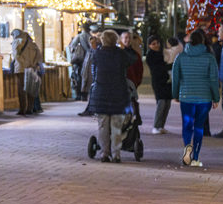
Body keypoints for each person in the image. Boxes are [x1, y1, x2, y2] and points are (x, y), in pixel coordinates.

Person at [83, 30, 137, 162]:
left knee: (102, 126)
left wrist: (95, 46)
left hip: (100, 95)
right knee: (116, 127)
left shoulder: (97, 54)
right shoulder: (121, 54)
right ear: (115, 40)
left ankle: (104, 153)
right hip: (118, 95)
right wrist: (123, 47)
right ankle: (116, 154)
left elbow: (91, 59)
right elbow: (133, 59)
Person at [171, 29, 222, 168]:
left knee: (187, 124)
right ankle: (196, 158)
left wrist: (175, 94)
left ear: (189, 41)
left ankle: (187, 146)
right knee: (199, 126)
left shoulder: (180, 57)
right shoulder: (209, 58)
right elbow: (213, 79)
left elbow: (175, 78)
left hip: (186, 96)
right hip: (204, 98)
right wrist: (216, 98)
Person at [146, 36, 174, 133]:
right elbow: (157, 69)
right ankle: (156, 126)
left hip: (167, 82)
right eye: (153, 43)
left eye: (157, 43)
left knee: (167, 104)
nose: (156, 45)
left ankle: (161, 126)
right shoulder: (151, 55)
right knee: (161, 103)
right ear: (149, 45)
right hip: (158, 82)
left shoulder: (162, 53)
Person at [13, 29, 43, 115]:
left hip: (21, 69)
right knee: (31, 88)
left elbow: (16, 55)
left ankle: (22, 109)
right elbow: (39, 55)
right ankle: (30, 108)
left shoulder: (16, 42)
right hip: (31, 69)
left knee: (21, 89)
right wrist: (33, 64)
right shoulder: (32, 43)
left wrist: (24, 64)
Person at [68, 27, 91, 98]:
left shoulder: (78, 37)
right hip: (88, 59)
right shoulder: (90, 37)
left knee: (78, 76)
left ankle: (78, 94)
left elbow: (72, 47)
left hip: (78, 59)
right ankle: (84, 93)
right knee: (86, 77)